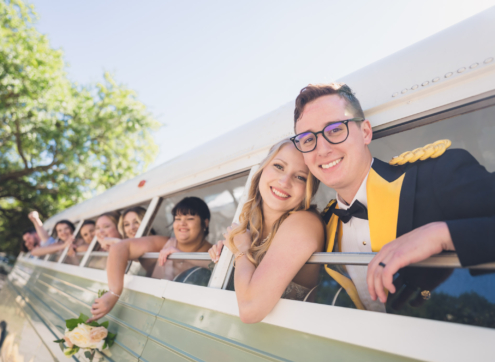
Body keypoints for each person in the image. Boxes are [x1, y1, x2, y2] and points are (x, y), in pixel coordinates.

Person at [291, 83, 495, 310]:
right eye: (308, 139)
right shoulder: (324, 224)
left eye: (336, 129)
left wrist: (441, 235)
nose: (322, 148)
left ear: (365, 132)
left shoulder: (439, 173)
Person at [208, 139, 324, 323]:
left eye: (300, 176)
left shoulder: (304, 222)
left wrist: (242, 252)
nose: (285, 181)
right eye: (279, 166)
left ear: (310, 189)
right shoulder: (250, 227)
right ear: (262, 169)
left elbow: (249, 310)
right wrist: (227, 253)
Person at [88, 197, 212, 321]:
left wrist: (183, 256)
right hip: (152, 312)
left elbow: (217, 268)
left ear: (205, 223)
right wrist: (113, 293)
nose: (182, 224)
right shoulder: (163, 242)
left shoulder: (214, 251)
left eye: (190, 219)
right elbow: (119, 248)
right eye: (177, 219)